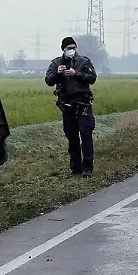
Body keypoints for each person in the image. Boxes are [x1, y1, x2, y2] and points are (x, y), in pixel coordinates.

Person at [46, 36, 98, 176]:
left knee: (86, 134)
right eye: (69, 48)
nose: (72, 51)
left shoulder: (84, 61)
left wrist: (77, 74)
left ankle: (87, 167)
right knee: (71, 136)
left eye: (73, 48)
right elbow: (48, 80)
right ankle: (75, 168)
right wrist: (58, 73)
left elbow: (92, 78)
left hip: (83, 103)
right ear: (63, 49)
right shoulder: (56, 63)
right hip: (67, 105)